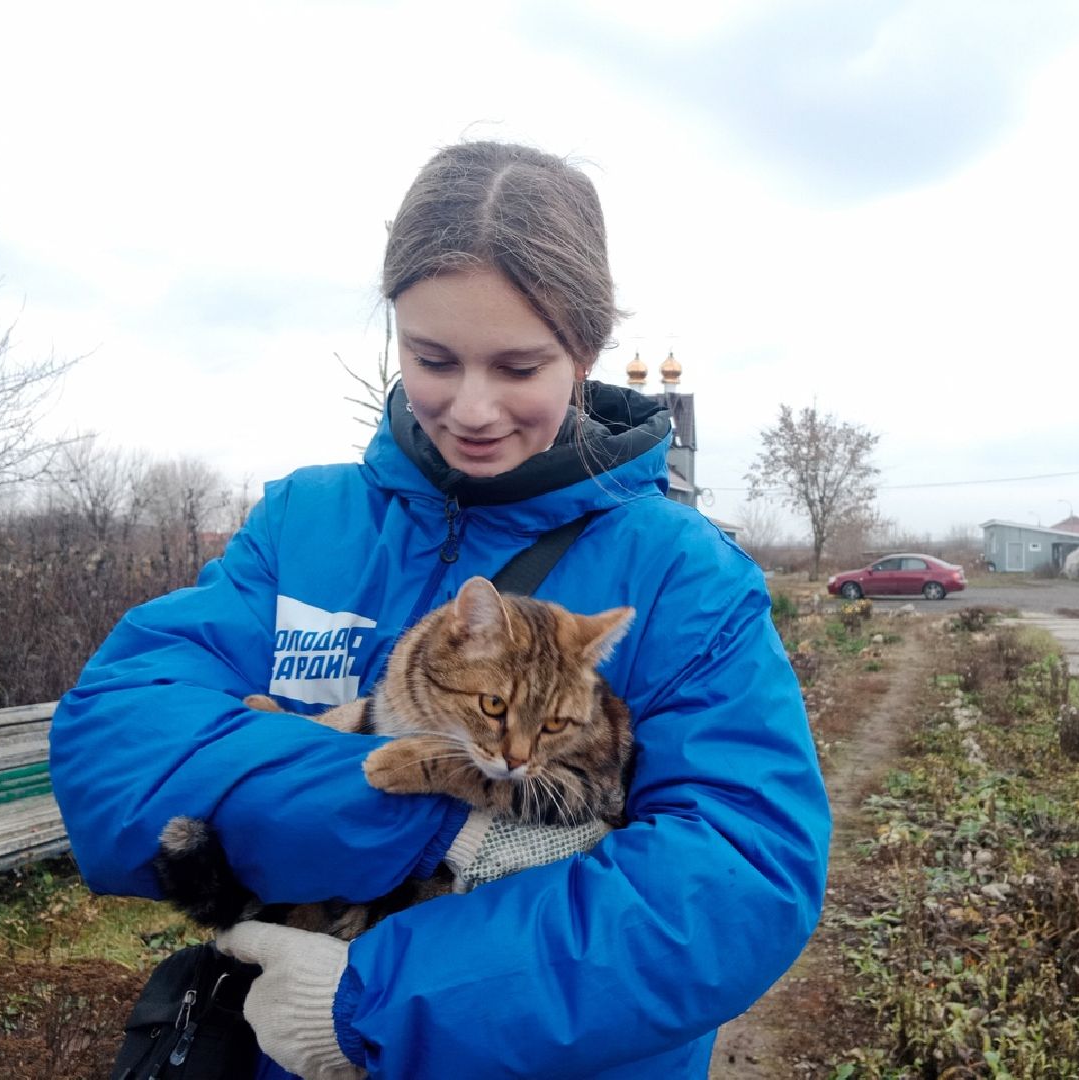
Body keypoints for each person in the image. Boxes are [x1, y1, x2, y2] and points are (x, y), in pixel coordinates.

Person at [50, 141, 831, 1079]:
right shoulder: (308, 520)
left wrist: (375, 1004)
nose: (470, 408)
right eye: (432, 358)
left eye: (518, 366)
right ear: (397, 334)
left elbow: (736, 885)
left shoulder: (681, 573)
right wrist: (436, 816)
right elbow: (120, 752)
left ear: (583, 353)